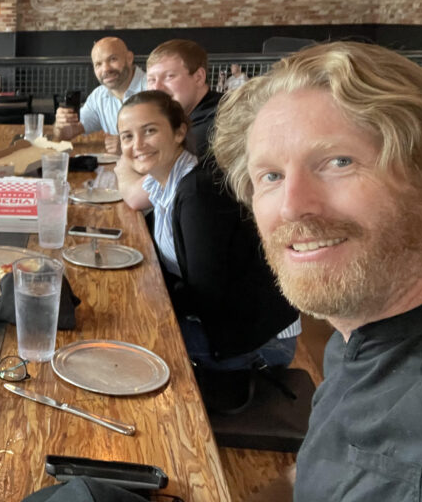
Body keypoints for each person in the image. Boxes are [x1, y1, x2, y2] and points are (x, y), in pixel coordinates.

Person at [211, 42, 422, 502]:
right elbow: (324, 479)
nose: (293, 205)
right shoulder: (359, 336)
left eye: (338, 162)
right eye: (269, 176)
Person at [117, 91, 299, 370]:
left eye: (149, 131)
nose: (137, 144)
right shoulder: (161, 185)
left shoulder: (198, 192)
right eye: (127, 136)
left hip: (253, 340)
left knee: (125, 345)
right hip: (218, 322)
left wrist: (137, 302)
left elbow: (207, 295)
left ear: (179, 132)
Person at [118, 39, 222, 210]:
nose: (157, 88)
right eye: (151, 80)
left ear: (199, 77)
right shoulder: (183, 117)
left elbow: (137, 197)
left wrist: (122, 168)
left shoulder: (212, 125)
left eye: (169, 76)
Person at [53, 36, 146, 152]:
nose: (105, 69)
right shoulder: (99, 96)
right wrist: (60, 126)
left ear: (129, 58)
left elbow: (171, 141)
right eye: (98, 64)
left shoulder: (153, 87)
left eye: (113, 59)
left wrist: (129, 145)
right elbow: (68, 133)